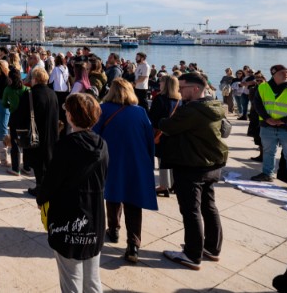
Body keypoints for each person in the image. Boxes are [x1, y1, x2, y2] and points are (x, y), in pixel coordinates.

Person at [36, 92, 108, 293]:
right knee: (92, 280)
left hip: (68, 216)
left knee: (71, 280)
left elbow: (51, 181)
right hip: (94, 217)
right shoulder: (102, 145)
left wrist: (41, 198)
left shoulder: (66, 146)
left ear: (71, 116)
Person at [160, 72, 228, 270]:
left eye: (182, 88)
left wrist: (166, 119)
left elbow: (167, 126)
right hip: (212, 163)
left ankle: (192, 253)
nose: (179, 92)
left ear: (196, 88)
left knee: (191, 210)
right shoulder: (215, 106)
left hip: (192, 164)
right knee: (209, 206)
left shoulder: (192, 110)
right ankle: (212, 248)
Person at [92, 78, 158, 263]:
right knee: (133, 202)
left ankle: (113, 229)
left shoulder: (103, 109)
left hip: (112, 158)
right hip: (136, 160)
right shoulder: (141, 112)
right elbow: (149, 139)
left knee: (112, 195)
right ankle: (133, 245)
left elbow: (95, 135)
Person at [250, 65, 287, 184]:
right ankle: (267, 174)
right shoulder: (263, 87)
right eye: (283, 73)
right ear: (274, 75)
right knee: (268, 152)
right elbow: (257, 104)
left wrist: (283, 120)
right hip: (267, 126)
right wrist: (267, 119)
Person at [21, 68, 60, 195]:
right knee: (48, 159)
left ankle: (40, 188)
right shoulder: (52, 93)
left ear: (35, 79)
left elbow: (22, 114)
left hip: (36, 132)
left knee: (38, 162)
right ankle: (47, 186)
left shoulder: (30, 94)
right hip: (51, 131)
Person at [148, 75, 182, 198]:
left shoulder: (160, 99)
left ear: (166, 85)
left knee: (162, 159)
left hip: (161, 132)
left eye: (161, 82)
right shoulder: (180, 100)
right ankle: (173, 184)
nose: (160, 84)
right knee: (173, 159)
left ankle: (163, 186)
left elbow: (152, 118)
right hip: (175, 134)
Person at [3, 68, 27, 175]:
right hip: (25, 117)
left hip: (14, 116)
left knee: (15, 142)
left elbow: (4, 104)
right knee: (26, 141)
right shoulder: (26, 89)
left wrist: (11, 106)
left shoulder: (8, 89)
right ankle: (27, 167)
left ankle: (16, 168)